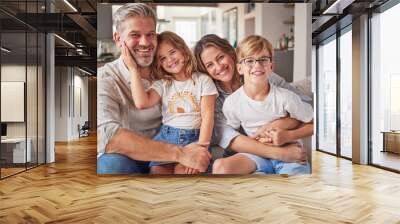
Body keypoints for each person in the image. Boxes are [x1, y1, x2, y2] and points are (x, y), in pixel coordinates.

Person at [97, 3, 211, 174]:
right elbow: (108, 135)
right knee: (110, 164)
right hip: (132, 156)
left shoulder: (170, 71)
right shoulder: (105, 78)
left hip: (177, 147)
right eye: (135, 35)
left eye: (150, 34)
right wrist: (180, 154)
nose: (145, 42)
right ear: (118, 38)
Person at [193, 34, 314, 172]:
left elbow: (302, 106)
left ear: (231, 54)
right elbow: (229, 137)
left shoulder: (260, 73)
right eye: (210, 65)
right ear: (206, 71)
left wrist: (276, 125)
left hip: (281, 141)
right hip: (253, 152)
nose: (218, 66)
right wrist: (281, 154)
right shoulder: (214, 98)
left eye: (220, 57)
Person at [122, 31, 217, 174]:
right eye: (162, 58)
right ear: (158, 63)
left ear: (184, 51)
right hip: (166, 138)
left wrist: (201, 148)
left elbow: (208, 117)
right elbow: (142, 103)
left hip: (195, 139)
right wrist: (133, 69)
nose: (169, 60)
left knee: (182, 173)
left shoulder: (203, 80)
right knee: (157, 171)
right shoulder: (163, 84)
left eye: (172, 52)